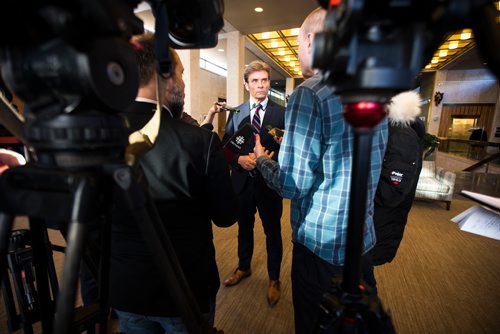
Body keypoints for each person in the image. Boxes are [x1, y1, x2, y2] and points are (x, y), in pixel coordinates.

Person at [253, 7, 387, 333]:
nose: (299, 53)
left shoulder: (310, 93)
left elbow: (292, 185)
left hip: (320, 250)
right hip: (361, 244)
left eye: (298, 43)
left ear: (311, 40)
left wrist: (262, 159)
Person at [109, 33, 239, 333]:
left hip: (126, 289)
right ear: (163, 74)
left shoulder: (98, 138)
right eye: (180, 74)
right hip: (186, 291)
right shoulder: (201, 142)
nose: (183, 83)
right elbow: (227, 216)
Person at [221, 60, 285, 307]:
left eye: (264, 80)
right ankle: (243, 267)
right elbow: (225, 148)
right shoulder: (236, 114)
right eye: (255, 81)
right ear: (247, 85)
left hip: (269, 184)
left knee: (273, 232)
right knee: (244, 228)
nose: (261, 85)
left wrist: (270, 160)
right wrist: (239, 158)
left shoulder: (281, 113)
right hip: (242, 183)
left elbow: (290, 147)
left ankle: (274, 279)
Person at [370, 91, 425, 268]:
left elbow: (389, 193)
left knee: (362, 279)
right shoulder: (389, 129)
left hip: (378, 228)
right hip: (373, 225)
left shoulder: (400, 134)